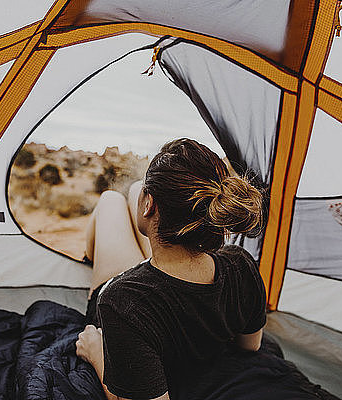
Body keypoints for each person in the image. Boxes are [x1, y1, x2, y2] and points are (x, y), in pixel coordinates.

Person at [75, 138, 266, 400]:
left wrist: (95, 352)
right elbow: (251, 345)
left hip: (133, 290)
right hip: (170, 271)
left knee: (110, 199)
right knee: (133, 191)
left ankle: (89, 255)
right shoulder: (241, 263)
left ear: (149, 204)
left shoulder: (120, 301)